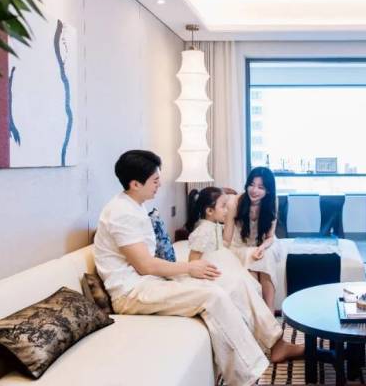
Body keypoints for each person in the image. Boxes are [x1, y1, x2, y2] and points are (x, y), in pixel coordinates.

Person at [93, 150, 302, 386]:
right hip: (132, 293)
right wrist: (189, 268)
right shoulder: (121, 213)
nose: (160, 184)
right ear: (135, 184)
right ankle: (246, 377)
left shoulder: (135, 206)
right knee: (212, 295)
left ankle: (276, 343)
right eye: (155, 180)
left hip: (151, 282)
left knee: (234, 281)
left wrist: (188, 269)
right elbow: (144, 265)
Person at [224, 167, 285, 312]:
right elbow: (227, 238)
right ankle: (258, 314)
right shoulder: (235, 203)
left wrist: (261, 248)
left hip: (264, 243)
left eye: (260, 187)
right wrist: (221, 256)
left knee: (267, 256)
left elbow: (270, 237)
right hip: (240, 246)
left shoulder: (272, 201)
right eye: (251, 185)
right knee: (253, 258)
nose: (254, 190)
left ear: (268, 190)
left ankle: (269, 313)